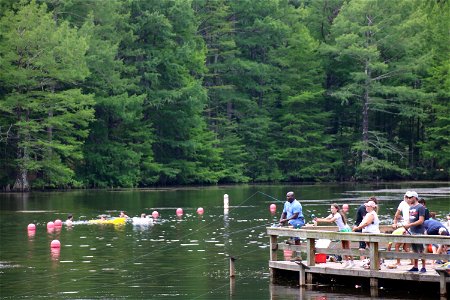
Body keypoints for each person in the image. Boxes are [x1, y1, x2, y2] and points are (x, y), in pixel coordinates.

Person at [314, 203, 354, 268]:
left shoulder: (337, 215)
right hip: (342, 231)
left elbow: (330, 221)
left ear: (336, 209)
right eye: (331, 208)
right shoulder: (332, 214)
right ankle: (347, 262)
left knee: (347, 247)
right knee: (343, 247)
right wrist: (318, 219)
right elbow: (326, 219)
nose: (331, 209)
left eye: (332, 208)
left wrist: (319, 220)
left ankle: (352, 262)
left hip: (346, 230)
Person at [403, 191, 427, 273]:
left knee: (421, 250)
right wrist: (407, 227)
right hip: (412, 231)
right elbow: (410, 220)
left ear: (415, 198)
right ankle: (415, 266)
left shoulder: (421, 207)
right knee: (414, 250)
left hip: (419, 231)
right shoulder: (410, 208)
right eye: (408, 198)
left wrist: (409, 225)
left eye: (410, 197)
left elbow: (421, 221)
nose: (409, 199)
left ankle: (423, 267)